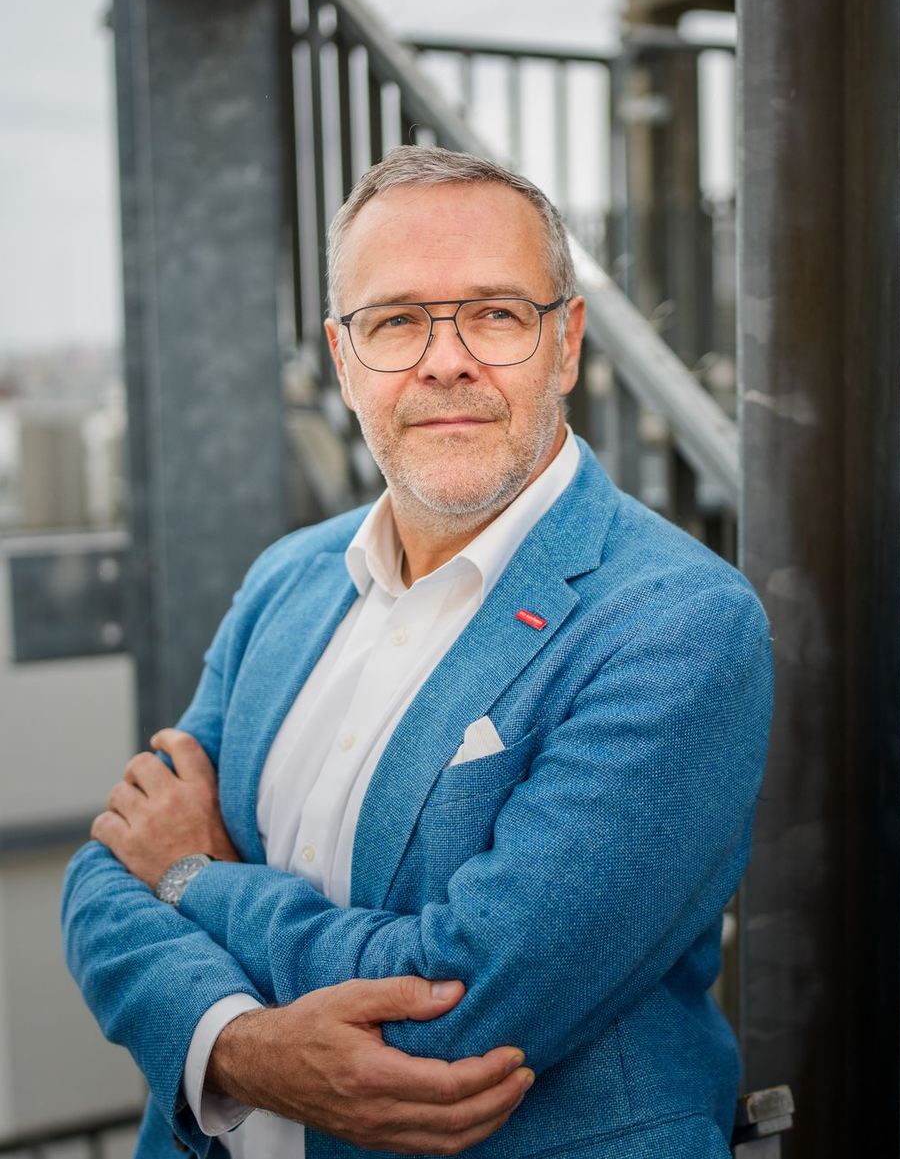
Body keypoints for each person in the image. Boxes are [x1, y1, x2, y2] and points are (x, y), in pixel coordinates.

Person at [62, 146, 773, 1158]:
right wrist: (236, 1049)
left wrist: (195, 879)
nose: (445, 360)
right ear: (344, 360)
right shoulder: (288, 579)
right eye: (396, 320)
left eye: (493, 312)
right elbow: (106, 870)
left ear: (565, 342)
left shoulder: (678, 621)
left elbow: (456, 1005)